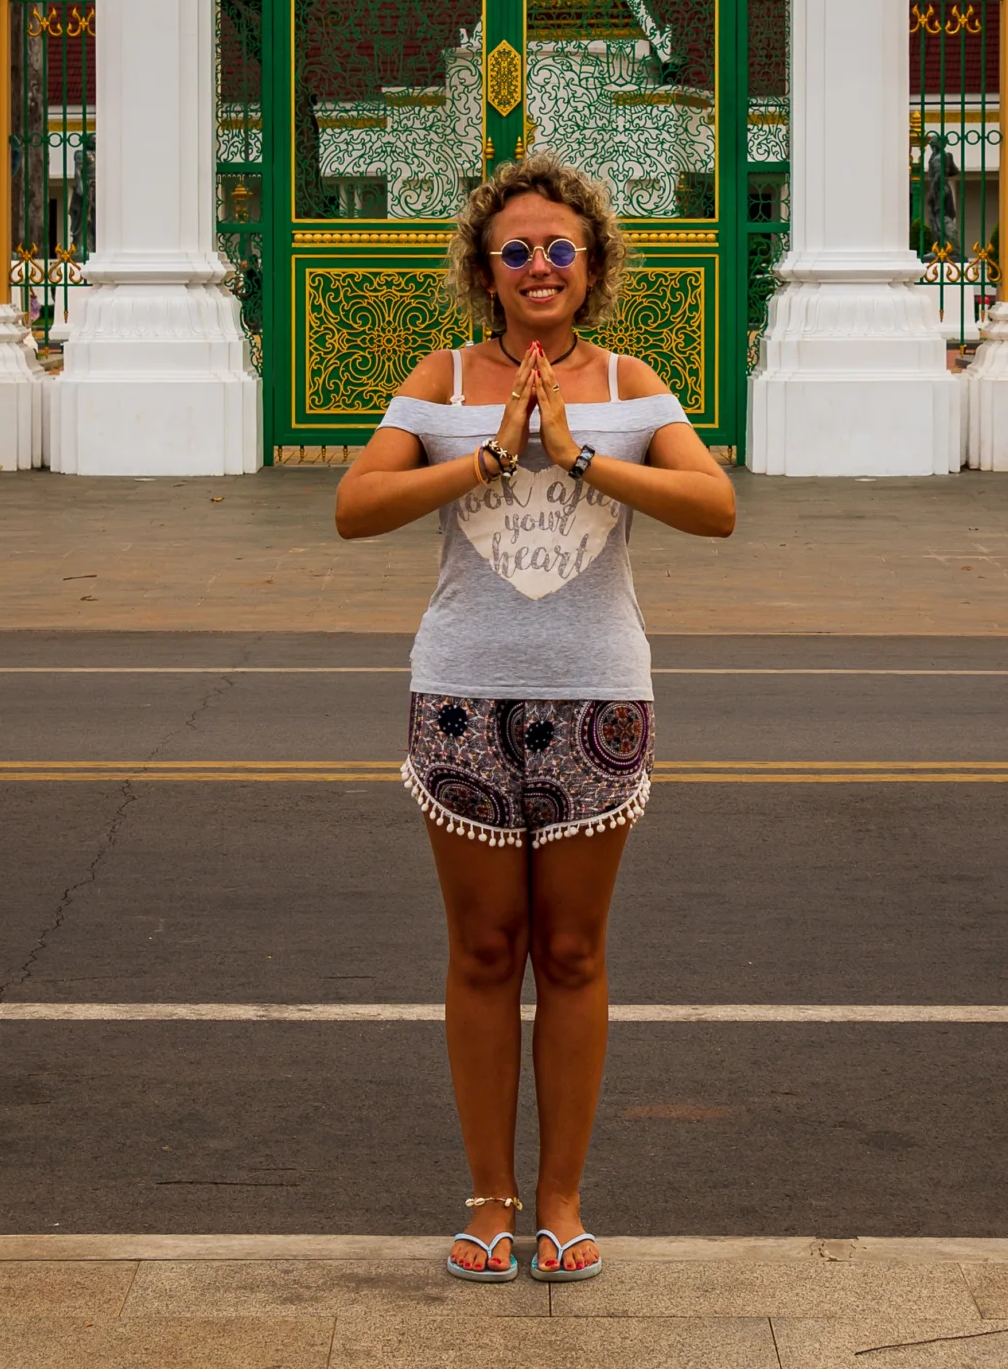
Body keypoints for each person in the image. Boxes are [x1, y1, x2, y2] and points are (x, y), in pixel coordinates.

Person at [334, 150, 736, 1284]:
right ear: (486, 269)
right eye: (515, 250)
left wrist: (580, 456)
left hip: (596, 694)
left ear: (593, 262)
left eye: (560, 247)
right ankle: (486, 1193)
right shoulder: (445, 380)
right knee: (481, 949)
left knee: (568, 950)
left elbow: (714, 507)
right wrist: (486, 459)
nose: (538, 266)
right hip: (461, 689)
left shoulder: (628, 384)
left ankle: (558, 1197)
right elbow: (355, 507)